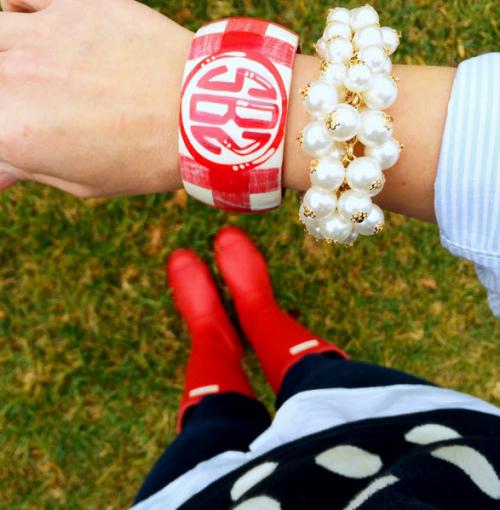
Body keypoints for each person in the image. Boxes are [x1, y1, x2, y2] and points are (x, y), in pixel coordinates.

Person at [131, 226, 499, 509]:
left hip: (199, 499)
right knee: (320, 379)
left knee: (211, 423)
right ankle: (259, 312)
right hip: (399, 443)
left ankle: (212, 333)